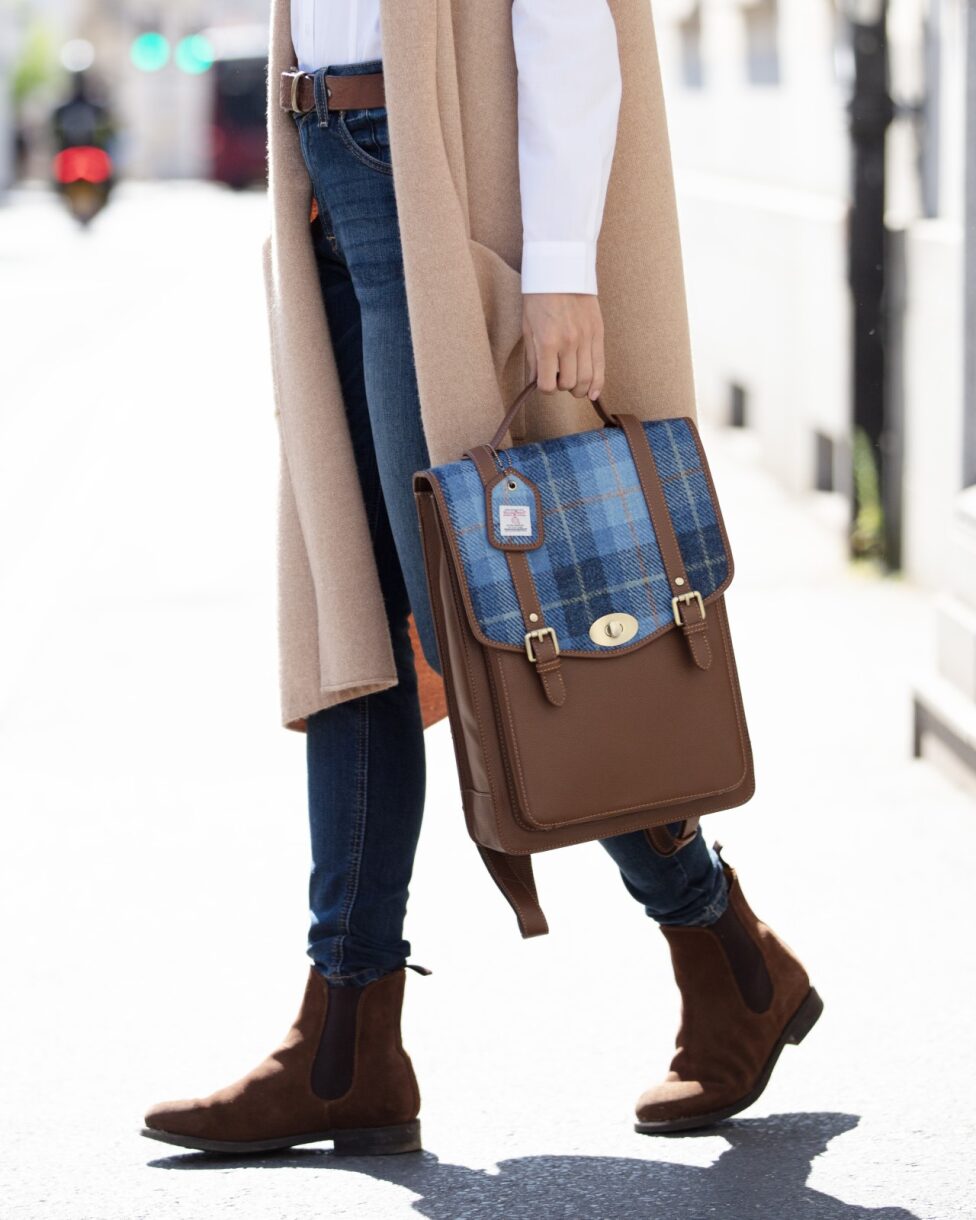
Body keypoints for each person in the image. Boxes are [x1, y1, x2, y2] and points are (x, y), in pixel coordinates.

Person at [142, 0, 821, 1156]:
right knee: (354, 618)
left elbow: (565, 22)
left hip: (431, 180)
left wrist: (561, 265)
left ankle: (723, 949)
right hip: (330, 163)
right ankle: (346, 1038)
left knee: (494, 628)